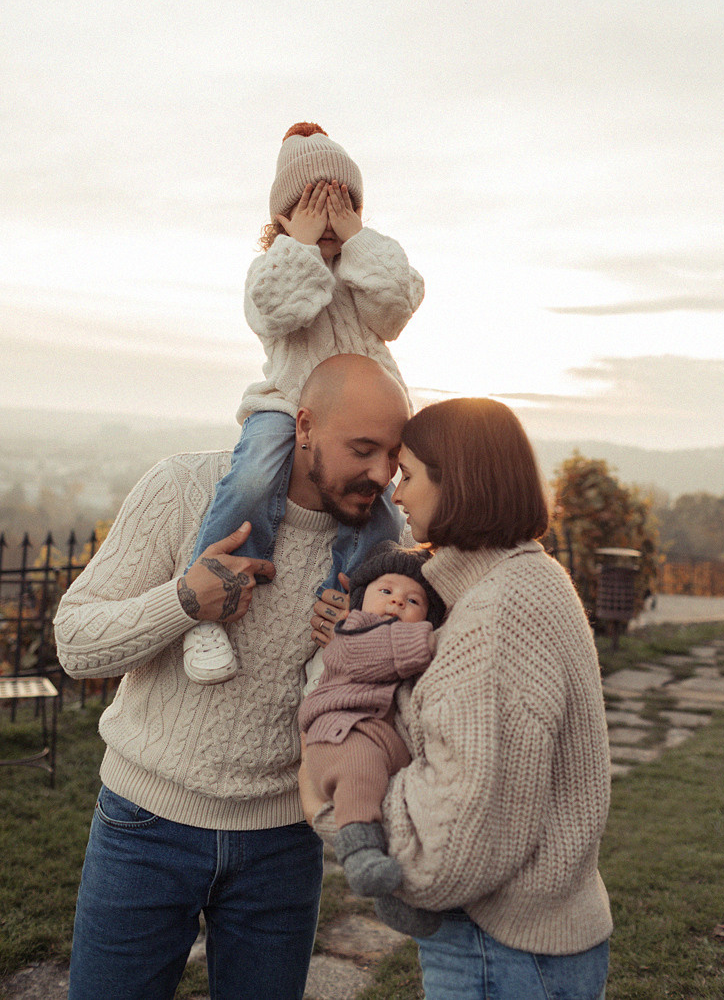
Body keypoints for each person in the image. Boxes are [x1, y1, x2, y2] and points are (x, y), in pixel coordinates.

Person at [54, 354, 411, 1000]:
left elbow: (387, 699)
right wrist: (183, 600)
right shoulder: (184, 487)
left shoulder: (382, 549)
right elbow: (75, 645)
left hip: (282, 844)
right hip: (145, 829)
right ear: (302, 425)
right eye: (363, 449)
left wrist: (356, 645)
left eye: (393, 454)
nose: (381, 474)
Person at [309, 397, 613, 1000]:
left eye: (411, 475)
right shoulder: (517, 581)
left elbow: (450, 847)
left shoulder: (497, 614)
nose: (396, 495)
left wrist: (327, 804)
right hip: (526, 945)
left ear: (461, 484)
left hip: (501, 951)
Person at [183, 121, 424, 684]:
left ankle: (347, 623)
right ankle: (211, 603)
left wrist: (357, 241)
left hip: (366, 419)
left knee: (382, 517)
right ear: (283, 219)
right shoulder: (273, 270)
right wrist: (299, 245)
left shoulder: (366, 271)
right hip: (287, 406)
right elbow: (281, 308)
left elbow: (396, 306)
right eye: (312, 204)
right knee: (250, 480)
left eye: (341, 202)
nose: (329, 217)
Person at [299, 541, 445, 898]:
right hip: (342, 733)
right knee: (361, 771)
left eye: (413, 601)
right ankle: (358, 848)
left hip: (386, 742)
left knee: (400, 808)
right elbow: (387, 649)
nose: (397, 601)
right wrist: (440, 639)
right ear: (361, 598)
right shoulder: (353, 630)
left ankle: (398, 892)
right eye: (386, 591)